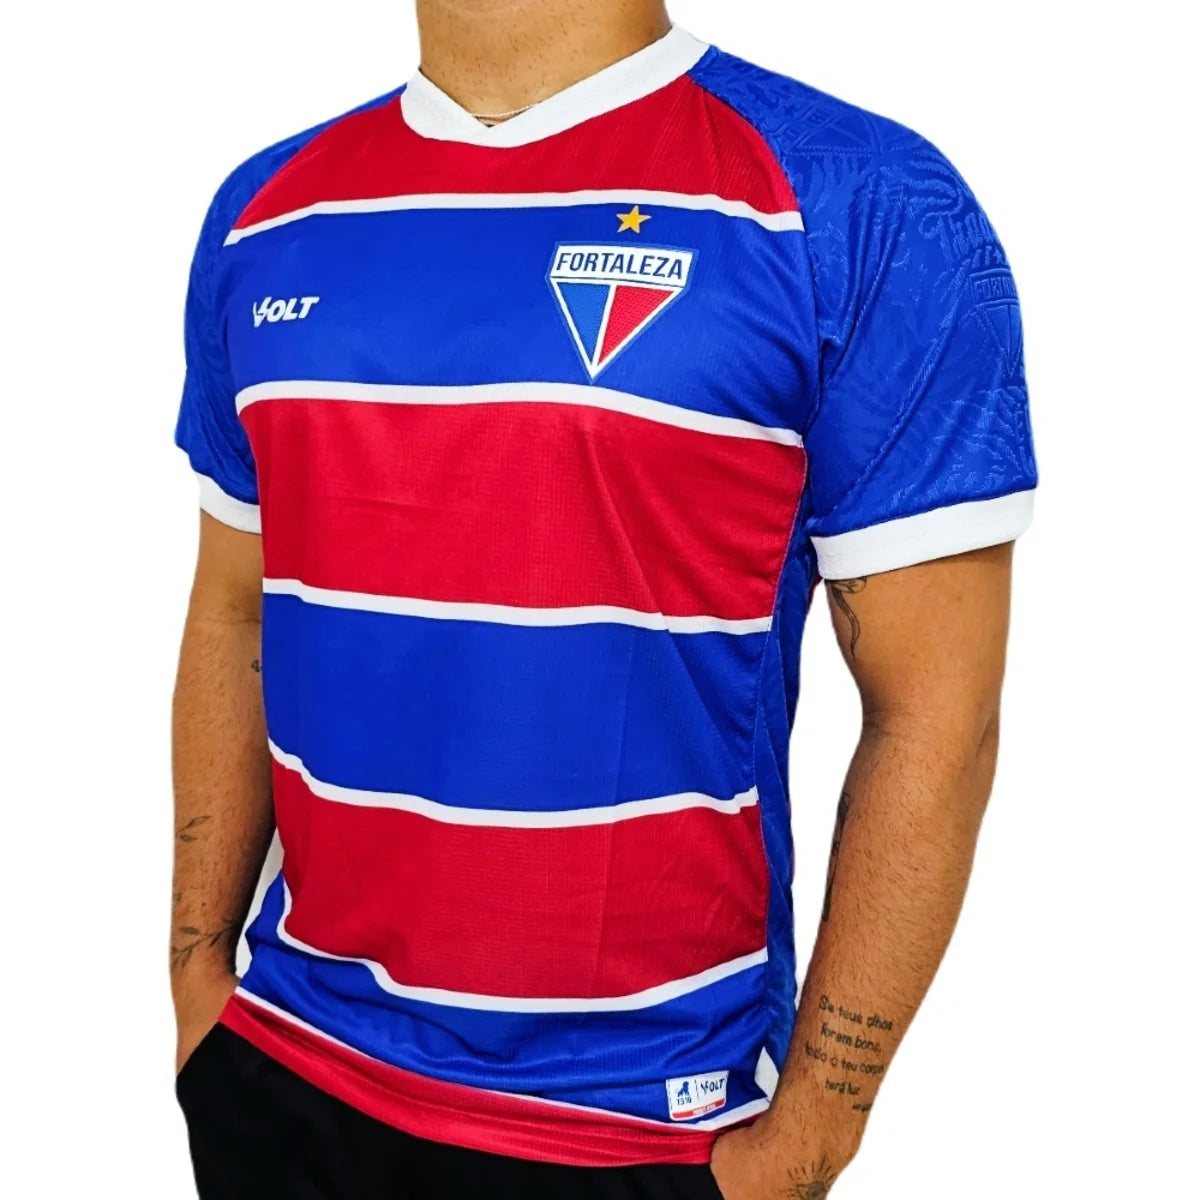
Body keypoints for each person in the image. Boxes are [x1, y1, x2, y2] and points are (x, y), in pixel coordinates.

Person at [170, 1, 1037, 1196]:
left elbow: (939, 714)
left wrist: (805, 1145)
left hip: (640, 1126)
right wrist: (197, 982)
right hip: (284, 1071)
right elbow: (235, 610)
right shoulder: (265, 214)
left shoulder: (857, 201)